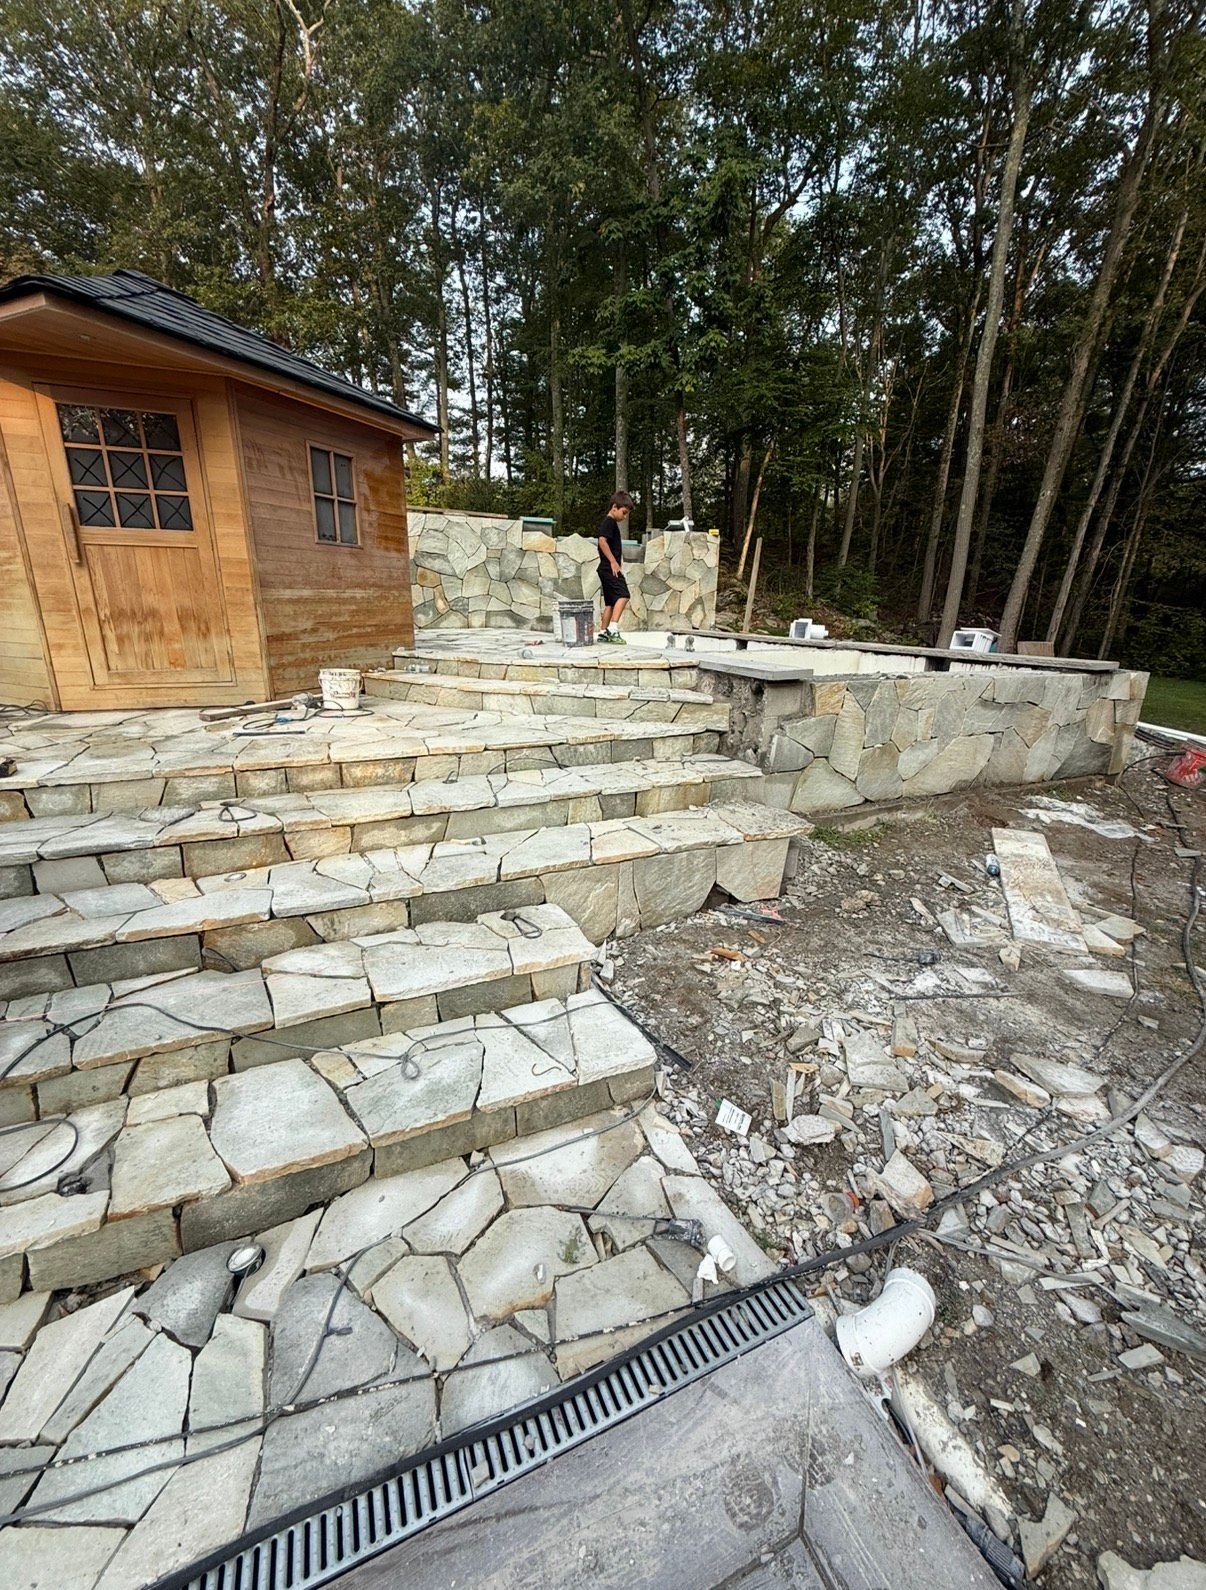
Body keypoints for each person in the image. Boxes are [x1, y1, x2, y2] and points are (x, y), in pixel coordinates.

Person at [596, 490, 633, 643]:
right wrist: (613, 561)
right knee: (624, 594)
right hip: (609, 568)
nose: (624, 517)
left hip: (604, 569)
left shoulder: (610, 523)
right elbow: (602, 541)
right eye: (623, 512)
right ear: (614, 507)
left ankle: (603, 632)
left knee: (610, 603)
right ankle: (613, 629)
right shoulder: (609, 522)